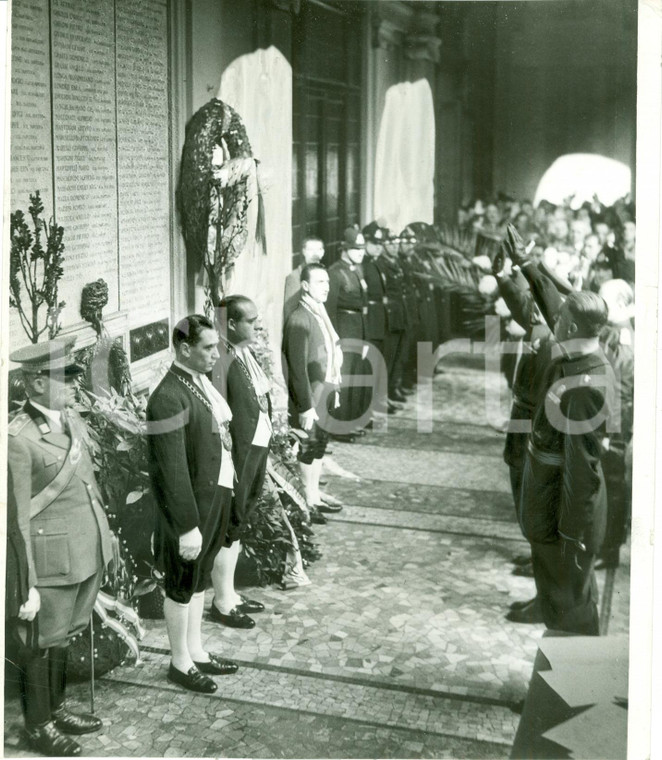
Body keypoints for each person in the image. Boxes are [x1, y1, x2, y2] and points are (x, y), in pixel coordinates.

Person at [7, 338, 114, 756]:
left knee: (65, 635)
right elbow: (15, 519)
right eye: (63, 377)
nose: (74, 383)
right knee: (40, 642)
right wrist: (25, 583)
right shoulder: (18, 438)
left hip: (83, 553)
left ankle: (55, 707)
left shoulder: (70, 419)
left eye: (74, 375)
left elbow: (89, 488)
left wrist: (106, 541)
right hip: (48, 561)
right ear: (34, 385)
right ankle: (38, 726)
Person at [507, 225, 613, 635]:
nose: (552, 319)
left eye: (558, 320)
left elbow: (582, 469)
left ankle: (568, 692)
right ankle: (557, 689)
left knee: (568, 599)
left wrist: (572, 534)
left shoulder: (586, 387)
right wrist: (528, 265)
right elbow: (555, 303)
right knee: (556, 594)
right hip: (550, 495)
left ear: (568, 328)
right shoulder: (580, 346)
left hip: (564, 512)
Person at [147, 315, 239, 694]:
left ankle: (196, 651)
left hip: (212, 495)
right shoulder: (168, 397)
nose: (216, 354)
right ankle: (179, 662)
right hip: (189, 511)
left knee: (199, 580)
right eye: (208, 348)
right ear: (185, 349)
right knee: (182, 584)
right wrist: (186, 525)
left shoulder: (197, 381)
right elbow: (171, 470)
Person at [209, 296, 272, 629]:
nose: (257, 325)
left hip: (254, 450)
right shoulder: (219, 357)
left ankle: (230, 593)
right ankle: (221, 601)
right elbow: (218, 417)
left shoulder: (240, 351)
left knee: (239, 524)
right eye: (252, 320)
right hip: (237, 458)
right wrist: (229, 464)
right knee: (228, 529)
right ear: (231, 324)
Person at [282, 263, 343, 517]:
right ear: (305, 286)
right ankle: (307, 500)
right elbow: (297, 368)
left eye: (327, 282)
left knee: (319, 445)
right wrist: (306, 405)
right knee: (308, 447)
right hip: (310, 397)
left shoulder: (319, 312)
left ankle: (315, 494)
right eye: (319, 282)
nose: (326, 287)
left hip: (325, 390)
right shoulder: (299, 318)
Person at [325, 226, 369, 438]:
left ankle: (349, 422)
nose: (361, 251)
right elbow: (330, 309)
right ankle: (338, 427)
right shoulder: (335, 272)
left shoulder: (354, 270)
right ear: (344, 249)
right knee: (343, 378)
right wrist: (334, 339)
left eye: (362, 247)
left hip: (356, 327)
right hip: (343, 329)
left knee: (354, 376)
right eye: (356, 247)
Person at [283, 237, 325, 323]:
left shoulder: (324, 275)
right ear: (303, 252)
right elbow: (290, 311)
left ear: (323, 252)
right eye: (310, 250)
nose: (315, 254)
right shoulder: (295, 277)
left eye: (319, 249)